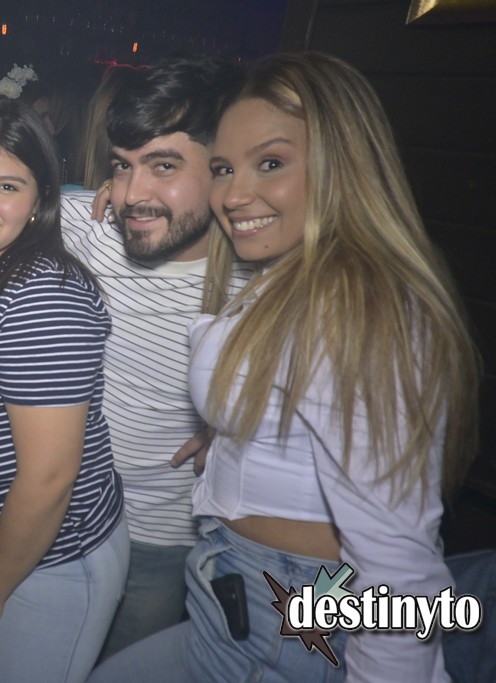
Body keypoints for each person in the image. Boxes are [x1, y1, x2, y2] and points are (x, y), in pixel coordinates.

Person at [88, 52, 479, 683]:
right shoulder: (291, 277)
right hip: (240, 594)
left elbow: (400, 570)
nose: (235, 194)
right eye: (224, 169)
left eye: (270, 163)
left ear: (340, 163)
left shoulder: (355, 303)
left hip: (293, 613)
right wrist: (239, 431)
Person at [0, 98, 129, 683]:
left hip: (46, 565)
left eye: (7, 186)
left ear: (40, 199)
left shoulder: (39, 299)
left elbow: (48, 478)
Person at [60, 54, 248, 660]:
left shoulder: (257, 285)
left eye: (163, 165)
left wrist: (238, 428)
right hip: (52, 522)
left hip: (159, 545)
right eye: (123, 166)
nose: (132, 194)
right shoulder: (87, 228)